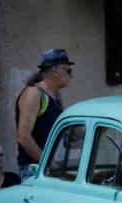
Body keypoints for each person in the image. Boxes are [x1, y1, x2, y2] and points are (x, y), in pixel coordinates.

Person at [15, 48, 74, 180]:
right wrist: (48, 163)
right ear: (55, 71)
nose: (71, 75)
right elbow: (23, 136)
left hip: (49, 168)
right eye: (68, 71)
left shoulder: (55, 95)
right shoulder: (34, 93)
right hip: (35, 170)